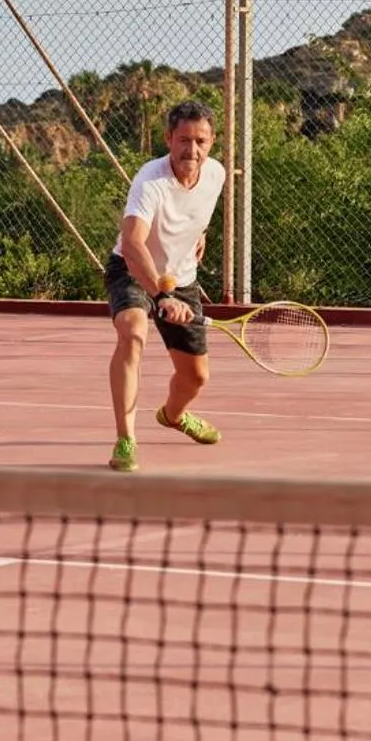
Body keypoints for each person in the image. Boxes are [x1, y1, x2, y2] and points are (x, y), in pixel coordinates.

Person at [104, 100, 227, 472]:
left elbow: (195, 213)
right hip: (133, 269)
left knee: (195, 377)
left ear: (212, 141)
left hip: (182, 276)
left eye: (201, 141)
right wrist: (161, 294)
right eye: (184, 140)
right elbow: (132, 242)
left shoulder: (216, 174)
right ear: (169, 139)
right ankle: (126, 439)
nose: (192, 150)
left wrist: (199, 234)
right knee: (132, 331)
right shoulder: (150, 180)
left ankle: (174, 416)